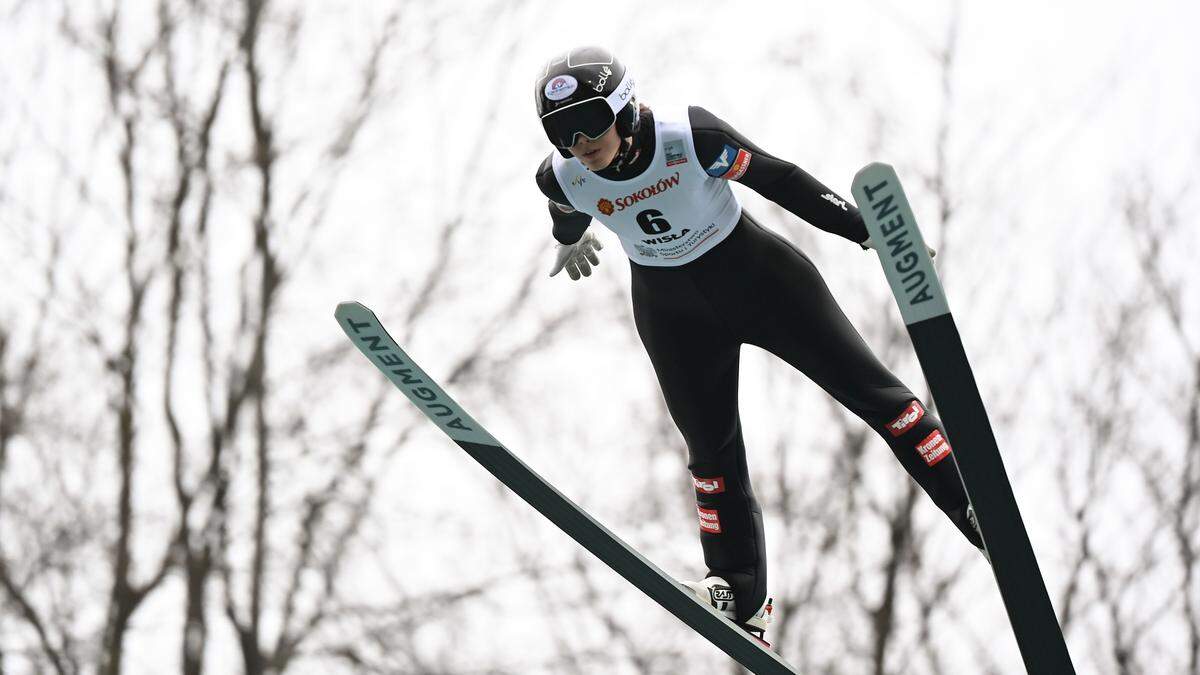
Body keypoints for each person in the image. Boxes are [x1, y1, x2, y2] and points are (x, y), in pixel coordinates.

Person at [533, 46, 984, 647]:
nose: (580, 142)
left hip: (761, 283)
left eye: (590, 123)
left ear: (624, 106)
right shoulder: (561, 172)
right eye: (561, 132)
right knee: (710, 457)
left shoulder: (690, 138)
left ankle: (971, 507)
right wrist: (568, 236)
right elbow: (563, 206)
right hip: (672, 316)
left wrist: (865, 230)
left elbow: (781, 180)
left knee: (878, 397)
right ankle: (739, 593)